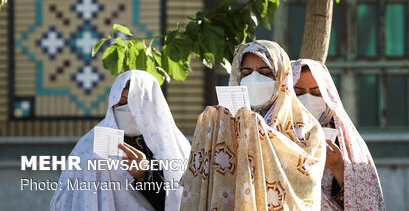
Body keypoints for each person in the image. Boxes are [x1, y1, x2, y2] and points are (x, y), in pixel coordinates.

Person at [180, 40, 325, 210]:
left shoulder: (307, 129)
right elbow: (198, 180)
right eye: (246, 72)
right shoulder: (222, 125)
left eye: (265, 72)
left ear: (281, 77)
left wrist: (259, 131)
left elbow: (307, 182)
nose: (254, 78)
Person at [50, 70, 191, 211]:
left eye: (132, 104)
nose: (124, 109)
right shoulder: (90, 144)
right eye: (120, 102)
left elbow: (182, 199)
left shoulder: (172, 145)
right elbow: (65, 198)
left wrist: (144, 175)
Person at [292, 59, 385, 210]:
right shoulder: (273, 134)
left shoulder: (345, 140)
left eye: (316, 93)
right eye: (299, 93)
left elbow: (364, 201)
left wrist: (339, 167)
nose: (308, 99)